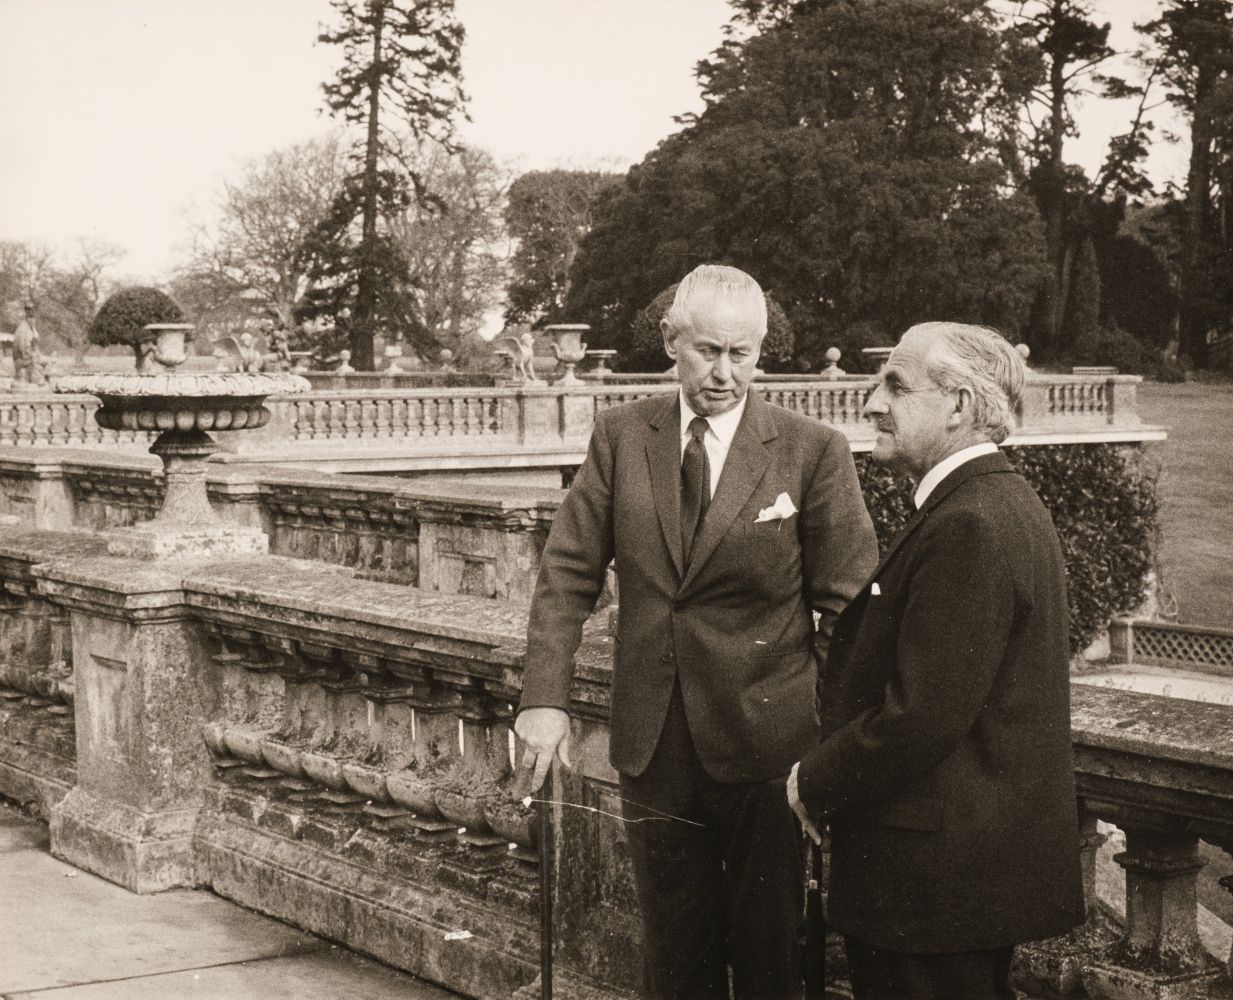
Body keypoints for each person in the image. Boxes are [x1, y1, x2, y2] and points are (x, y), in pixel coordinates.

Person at [516, 264, 878, 999]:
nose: (724, 373)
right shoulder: (621, 436)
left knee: (770, 955)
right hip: (654, 744)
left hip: (770, 749)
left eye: (741, 354)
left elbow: (850, 612)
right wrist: (542, 700)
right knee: (673, 956)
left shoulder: (810, 450)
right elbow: (566, 576)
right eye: (707, 351)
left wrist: (815, 723)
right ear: (669, 342)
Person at [788, 322, 1084, 1000]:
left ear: (957, 405)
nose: (868, 402)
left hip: (930, 888)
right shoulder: (993, 502)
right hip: (949, 881)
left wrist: (812, 780)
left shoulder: (967, 523)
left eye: (894, 384)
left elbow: (921, 714)